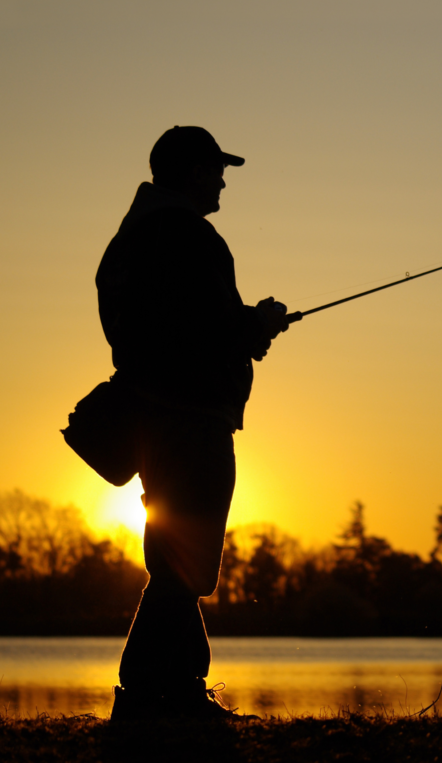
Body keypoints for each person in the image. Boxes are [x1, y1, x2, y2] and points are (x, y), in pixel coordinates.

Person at [97, 126, 289, 720]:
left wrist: (241, 330)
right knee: (188, 559)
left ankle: (170, 689)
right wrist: (256, 326)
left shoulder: (131, 238)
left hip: (154, 418)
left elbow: (162, 328)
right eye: (216, 169)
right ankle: (153, 692)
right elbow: (206, 330)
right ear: (190, 172)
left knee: (178, 556)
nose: (223, 180)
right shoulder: (190, 236)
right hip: (191, 418)